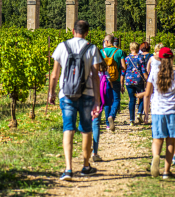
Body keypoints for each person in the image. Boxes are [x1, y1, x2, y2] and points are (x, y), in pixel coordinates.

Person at [48, 20, 103, 181]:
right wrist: (97, 101)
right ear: (87, 33)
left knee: (68, 128)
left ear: (73, 31)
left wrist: (51, 93)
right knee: (86, 129)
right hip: (87, 94)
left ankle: (68, 169)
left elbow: (54, 74)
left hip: (66, 94)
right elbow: (95, 77)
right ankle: (86, 166)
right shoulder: (92, 48)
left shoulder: (62, 46)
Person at [136, 48, 175, 179]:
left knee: (157, 139)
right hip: (173, 111)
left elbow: (147, 94)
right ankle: (166, 171)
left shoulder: (154, 73)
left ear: (159, 59)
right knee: (171, 141)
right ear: (172, 59)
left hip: (157, 111)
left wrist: (146, 112)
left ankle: (155, 156)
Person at [100, 35, 127, 131]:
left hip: (104, 80)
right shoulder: (119, 52)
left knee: (107, 101)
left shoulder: (101, 52)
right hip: (115, 79)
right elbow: (124, 67)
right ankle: (112, 115)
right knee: (116, 99)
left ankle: (107, 124)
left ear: (107, 41)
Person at [122, 42, 148, 126]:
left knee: (132, 99)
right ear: (138, 49)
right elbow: (143, 71)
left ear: (130, 49)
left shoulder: (126, 58)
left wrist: (121, 83)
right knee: (142, 96)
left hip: (129, 81)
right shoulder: (140, 58)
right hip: (138, 80)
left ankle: (131, 120)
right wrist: (148, 81)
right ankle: (139, 113)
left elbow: (123, 71)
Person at [92, 62, 109, 162]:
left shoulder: (86, 70)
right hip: (98, 100)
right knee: (96, 124)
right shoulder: (104, 73)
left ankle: (86, 150)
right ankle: (95, 152)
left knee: (87, 126)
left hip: (87, 98)